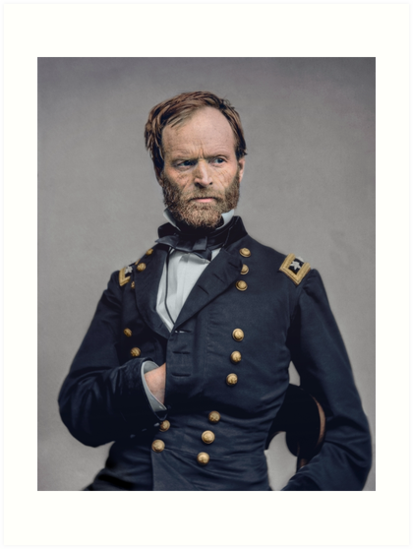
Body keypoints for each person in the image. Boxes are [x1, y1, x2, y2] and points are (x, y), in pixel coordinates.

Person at [58, 91, 372, 491]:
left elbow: (348, 440)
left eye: (218, 160)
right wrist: (156, 383)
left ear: (240, 167)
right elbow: (79, 412)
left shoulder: (290, 283)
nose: (203, 178)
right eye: (185, 162)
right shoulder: (127, 284)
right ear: (160, 171)